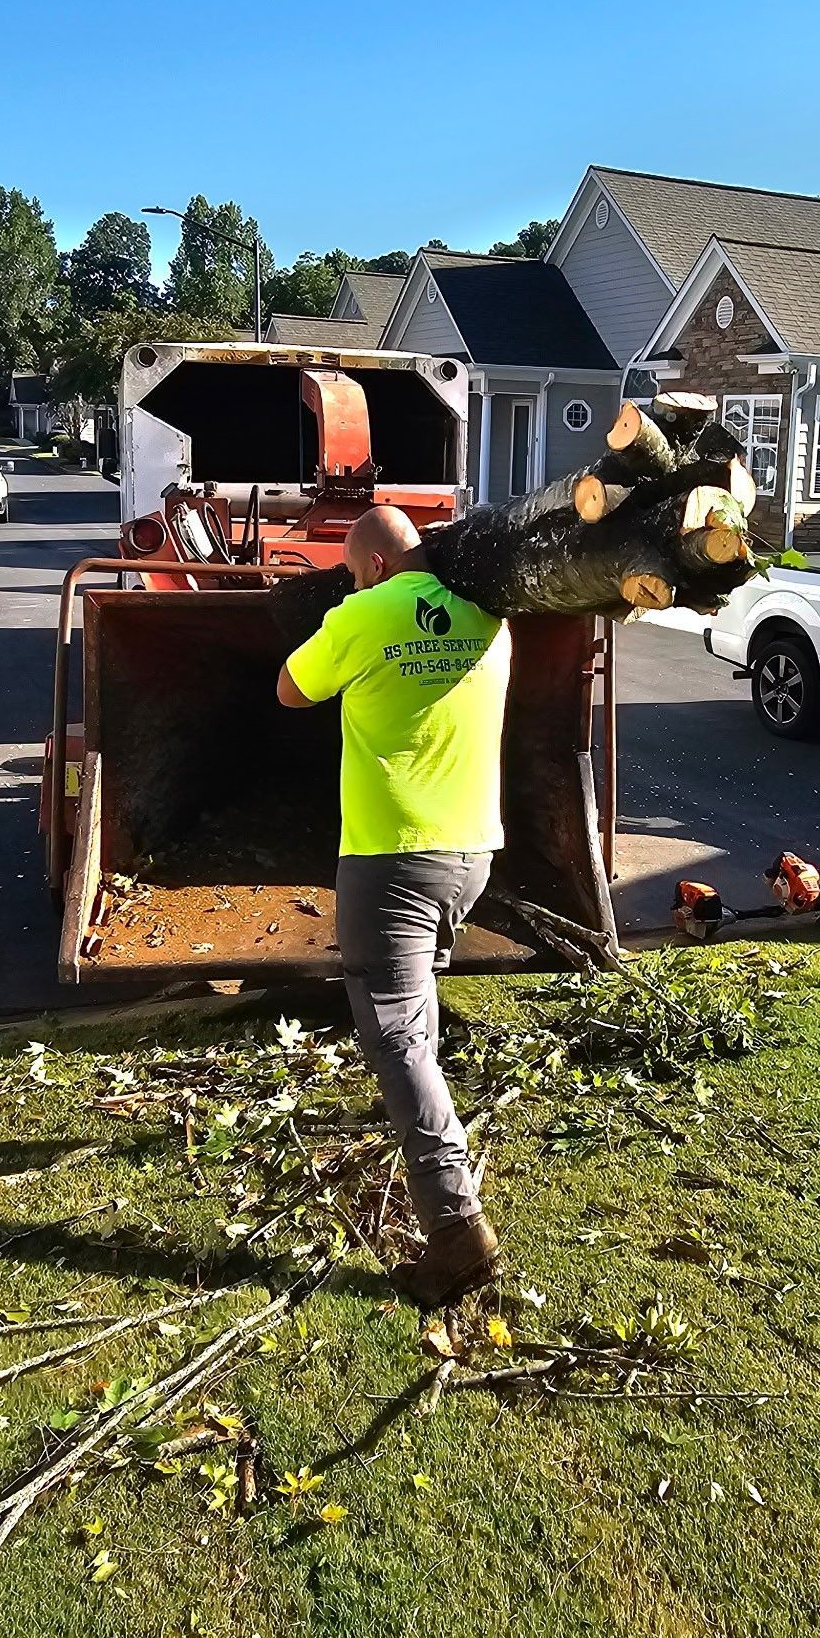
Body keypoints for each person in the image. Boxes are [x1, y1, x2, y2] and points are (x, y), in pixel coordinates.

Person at [277, 505, 511, 1307]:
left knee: (397, 1038)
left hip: (390, 859)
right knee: (416, 1021)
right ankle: (432, 1139)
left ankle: (455, 1226)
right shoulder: (490, 616)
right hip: (472, 853)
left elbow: (290, 690)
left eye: (350, 570)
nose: (347, 582)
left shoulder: (364, 610)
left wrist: (345, 613)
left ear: (373, 567)